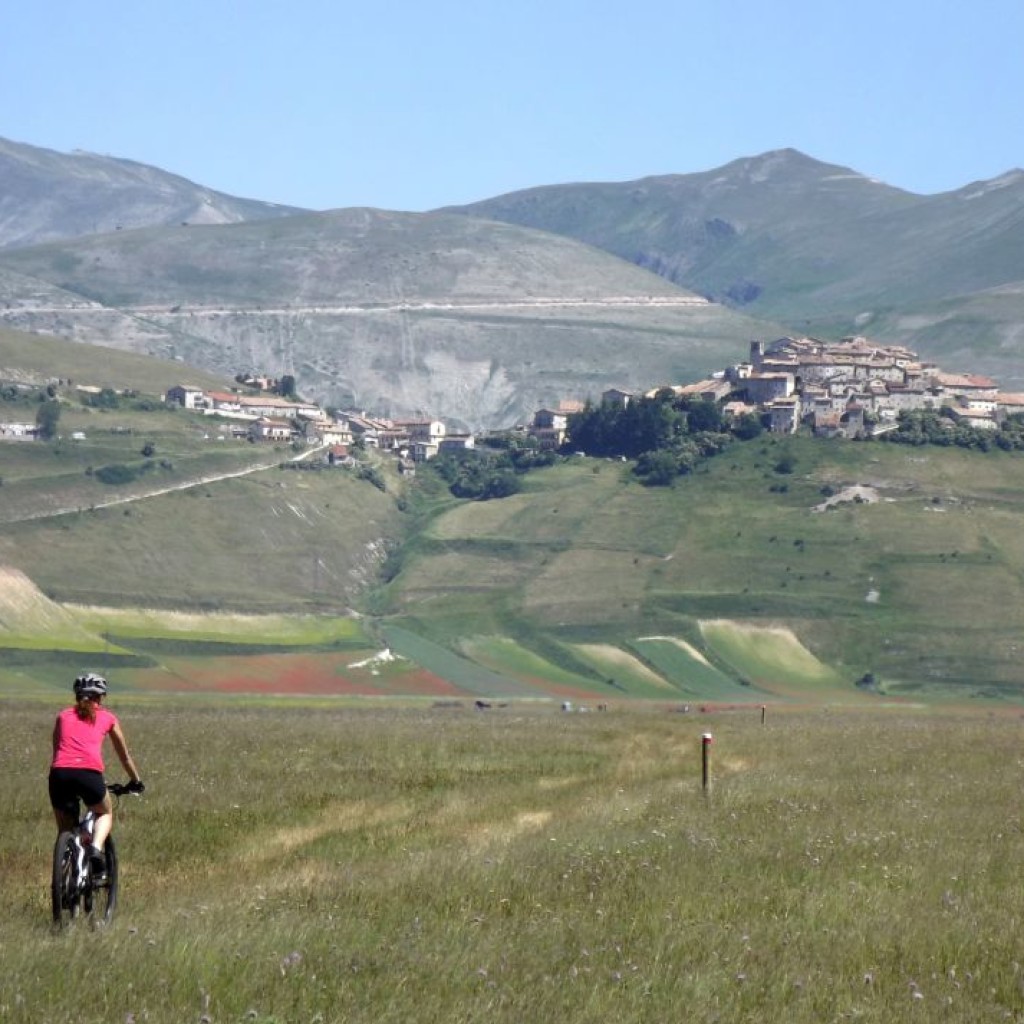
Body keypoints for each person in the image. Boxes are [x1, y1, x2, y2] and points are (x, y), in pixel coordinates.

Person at [48, 673, 144, 881]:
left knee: (65, 829)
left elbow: (56, 750)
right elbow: (124, 756)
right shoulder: (108, 718)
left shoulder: (63, 716)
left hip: (59, 774)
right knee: (105, 812)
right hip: (88, 774)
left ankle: (64, 875)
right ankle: (95, 849)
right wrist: (136, 781)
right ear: (100, 697)